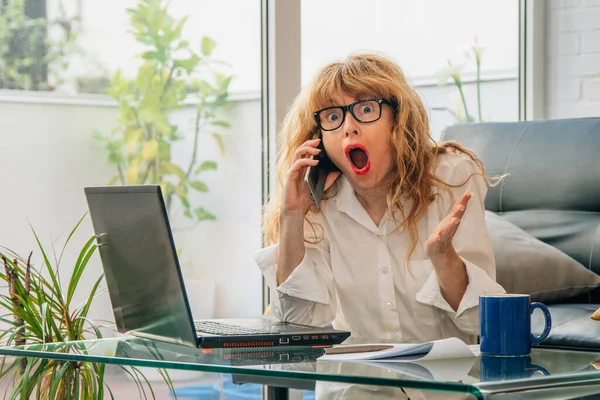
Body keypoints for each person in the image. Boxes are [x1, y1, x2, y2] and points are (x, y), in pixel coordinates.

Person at [254, 52, 505, 345]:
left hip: (442, 383)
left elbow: (484, 322)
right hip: (357, 384)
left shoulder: (451, 175)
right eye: (332, 116)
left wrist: (444, 258)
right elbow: (298, 321)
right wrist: (292, 216)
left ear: (398, 119)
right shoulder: (317, 197)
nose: (348, 126)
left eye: (365, 109)